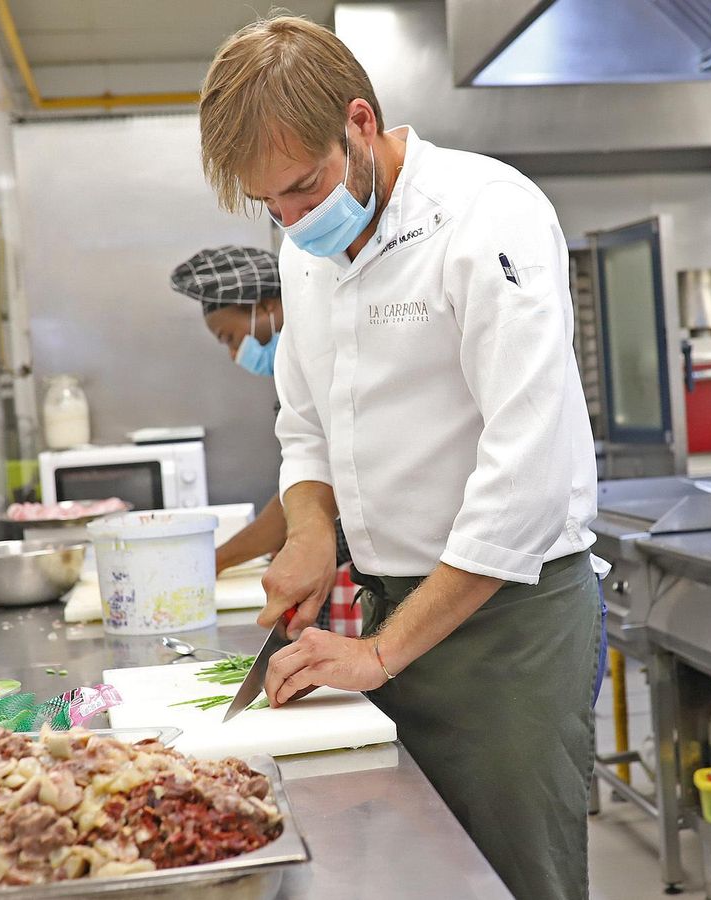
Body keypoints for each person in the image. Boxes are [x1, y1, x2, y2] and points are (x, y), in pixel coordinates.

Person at [199, 16, 601, 900]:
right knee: (411, 879)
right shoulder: (302, 253)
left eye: (306, 190)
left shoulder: (488, 214)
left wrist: (381, 656)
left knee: (512, 880)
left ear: (358, 121)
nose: (295, 223)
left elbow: (524, 477)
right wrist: (308, 533)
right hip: (380, 617)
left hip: (507, 635)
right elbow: (303, 426)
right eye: (273, 208)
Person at [170, 245, 358, 636]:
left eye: (230, 337)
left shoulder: (331, 356)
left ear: (270, 306)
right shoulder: (297, 372)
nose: (234, 353)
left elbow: (313, 487)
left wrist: (214, 560)